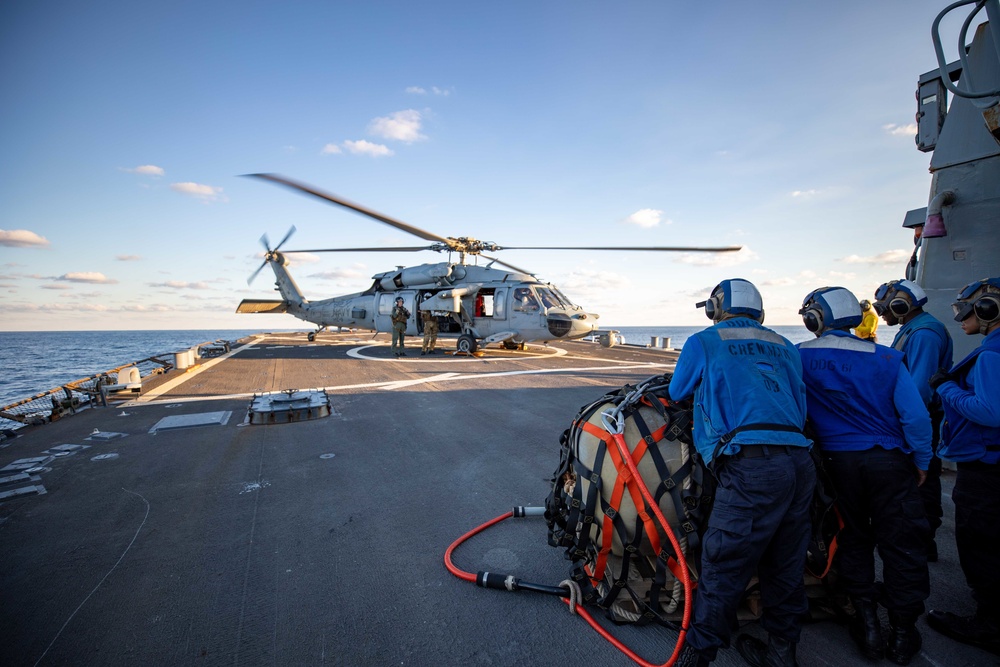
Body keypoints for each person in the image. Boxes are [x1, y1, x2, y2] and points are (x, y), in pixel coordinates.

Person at [668, 278, 815, 667]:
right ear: (760, 311)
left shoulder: (705, 341)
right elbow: (799, 404)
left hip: (751, 466)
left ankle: (697, 656)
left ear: (717, 309)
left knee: (724, 560)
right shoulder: (785, 345)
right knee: (786, 561)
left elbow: (678, 389)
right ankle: (782, 654)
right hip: (800, 463)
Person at [796, 286, 932, 665]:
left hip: (837, 466)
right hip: (889, 462)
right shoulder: (888, 358)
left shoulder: (796, 357)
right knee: (903, 543)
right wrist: (922, 460)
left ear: (814, 320)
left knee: (852, 538)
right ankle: (904, 632)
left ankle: (868, 624)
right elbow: (916, 418)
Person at [926, 277, 1000, 657]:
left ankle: (989, 624)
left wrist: (945, 387)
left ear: (989, 308)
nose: (962, 317)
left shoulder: (991, 354)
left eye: (968, 309)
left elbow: (990, 411)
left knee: (981, 543)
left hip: (987, 468)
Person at [873, 279, 954, 561]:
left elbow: (919, 388)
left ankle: (923, 540)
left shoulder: (924, 334)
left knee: (923, 479)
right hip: (918, 417)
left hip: (921, 418)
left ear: (901, 305)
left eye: (884, 307)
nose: (881, 314)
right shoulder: (914, 330)